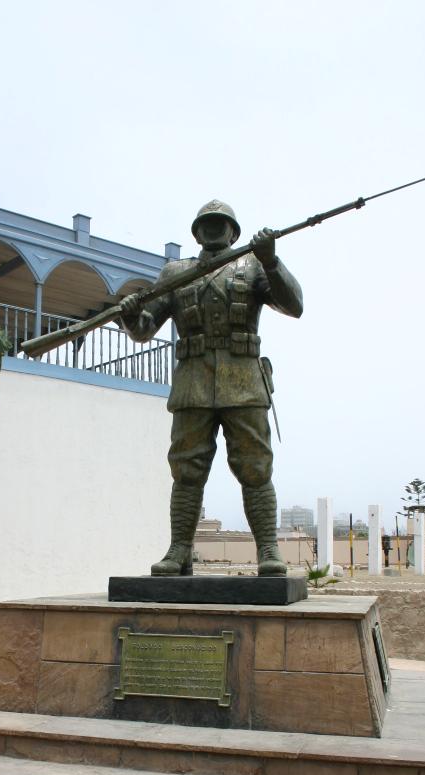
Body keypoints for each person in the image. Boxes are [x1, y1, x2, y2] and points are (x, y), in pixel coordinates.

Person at [120, 200, 303, 576]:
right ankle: (179, 550)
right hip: (193, 384)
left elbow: (294, 304)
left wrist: (271, 260)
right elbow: (144, 329)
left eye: (221, 223)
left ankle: (268, 549)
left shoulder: (253, 263)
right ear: (196, 231)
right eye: (207, 222)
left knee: (255, 467)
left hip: (244, 381)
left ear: (234, 231)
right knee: (186, 470)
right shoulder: (175, 272)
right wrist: (130, 314)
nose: (214, 228)